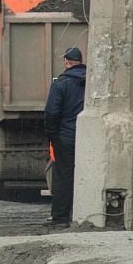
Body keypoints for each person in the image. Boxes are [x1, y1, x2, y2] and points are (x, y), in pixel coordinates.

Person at [44, 47, 86, 227]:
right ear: (80, 61)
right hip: (88, 139)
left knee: (63, 176)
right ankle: (85, 214)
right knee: (85, 175)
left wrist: (53, 136)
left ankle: (61, 216)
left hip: (66, 138)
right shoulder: (92, 83)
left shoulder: (60, 84)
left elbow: (52, 113)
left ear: (66, 62)